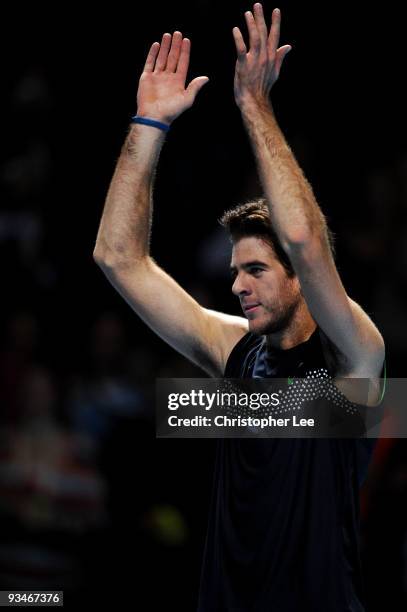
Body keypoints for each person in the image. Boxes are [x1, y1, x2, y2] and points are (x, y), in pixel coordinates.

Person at [93, 4, 385, 610]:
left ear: (302, 280)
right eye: (235, 271)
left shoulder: (355, 358)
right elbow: (118, 258)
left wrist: (254, 103)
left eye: (255, 270)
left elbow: (304, 241)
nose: (238, 286)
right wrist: (149, 124)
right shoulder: (234, 351)